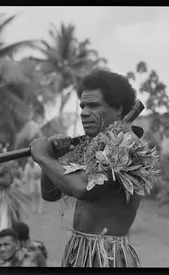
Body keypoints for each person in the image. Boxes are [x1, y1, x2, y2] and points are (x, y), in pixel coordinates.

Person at [30, 69, 160, 267]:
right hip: (79, 249)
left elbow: (82, 188)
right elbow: (50, 194)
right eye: (82, 105)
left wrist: (43, 157)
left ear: (117, 109)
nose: (84, 112)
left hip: (106, 255)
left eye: (93, 105)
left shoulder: (126, 146)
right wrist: (52, 158)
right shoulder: (92, 145)